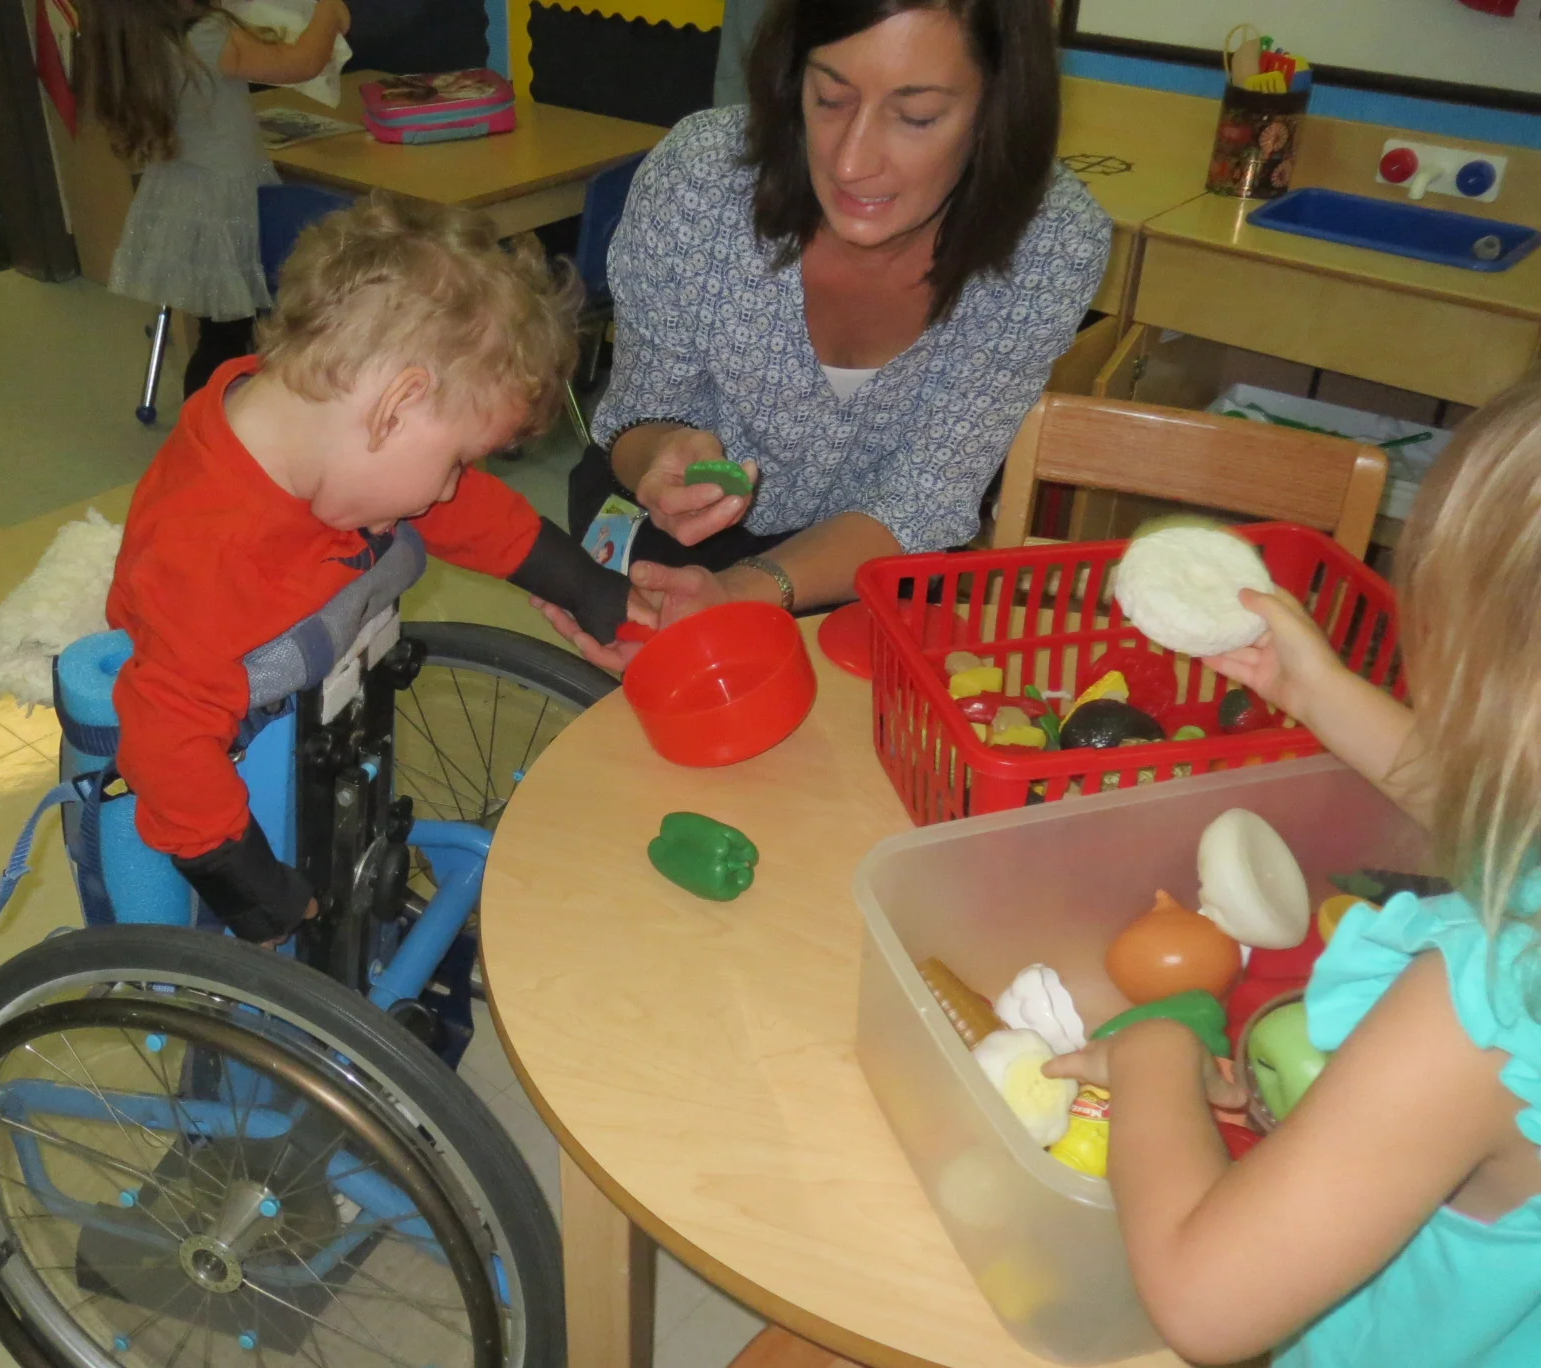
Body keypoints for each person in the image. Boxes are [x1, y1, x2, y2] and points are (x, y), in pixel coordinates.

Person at [1044, 378, 1541, 1367]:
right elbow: (1493, 810)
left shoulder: (1488, 1010)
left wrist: (1155, 1057)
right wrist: (1317, 691)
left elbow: (1205, 1303)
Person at [106, 196, 641, 945]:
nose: (452, 488)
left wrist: (582, 585)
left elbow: (460, 512)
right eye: (456, 461)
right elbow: (164, 735)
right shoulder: (204, 554)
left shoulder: (319, 429)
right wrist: (248, 885)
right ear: (397, 404)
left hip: (322, 704)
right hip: (232, 767)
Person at [549, 0, 1110, 669]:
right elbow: (640, 413)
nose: (850, 162)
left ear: (998, 107)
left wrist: (746, 591)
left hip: (868, 562)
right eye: (830, 98)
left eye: (917, 116)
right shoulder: (700, 178)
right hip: (665, 543)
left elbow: (921, 502)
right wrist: (659, 455)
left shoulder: (1051, 242)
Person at [79, 0, 350, 399]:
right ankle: (209, 421)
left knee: (222, 332)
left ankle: (211, 419)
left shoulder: (138, 40)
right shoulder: (205, 36)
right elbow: (303, 63)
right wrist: (329, 12)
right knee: (231, 338)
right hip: (225, 208)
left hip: (184, 199)